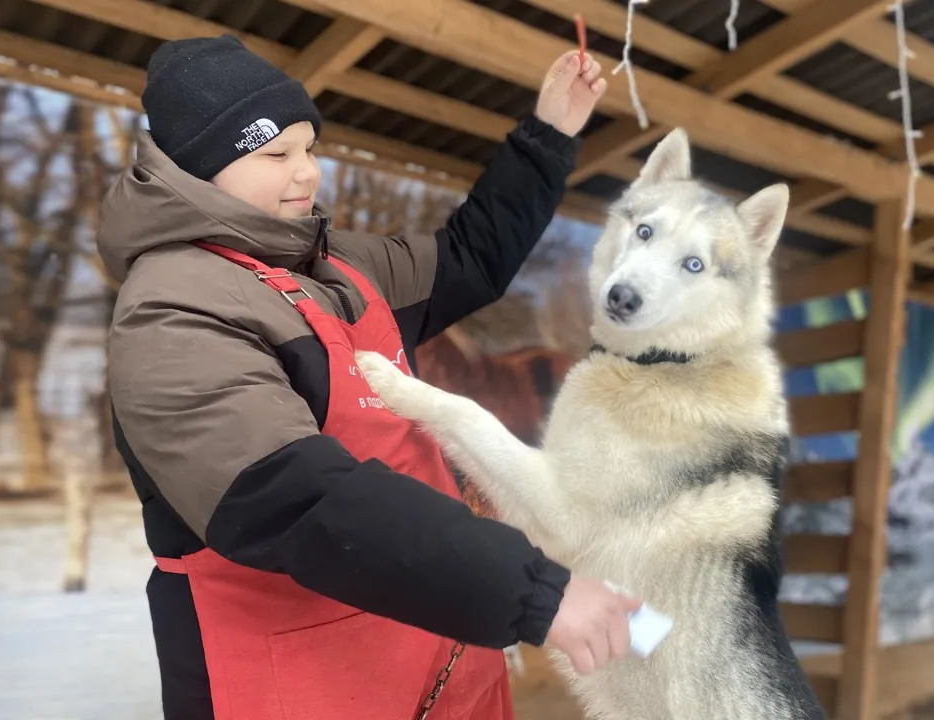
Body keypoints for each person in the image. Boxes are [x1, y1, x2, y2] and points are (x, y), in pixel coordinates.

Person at [98, 34, 638, 720]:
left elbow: (468, 259)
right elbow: (296, 500)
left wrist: (549, 134)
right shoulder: (171, 310)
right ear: (203, 169)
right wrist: (531, 590)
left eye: (310, 149)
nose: (308, 174)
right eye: (277, 155)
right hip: (298, 677)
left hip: (428, 639)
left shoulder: (335, 267)